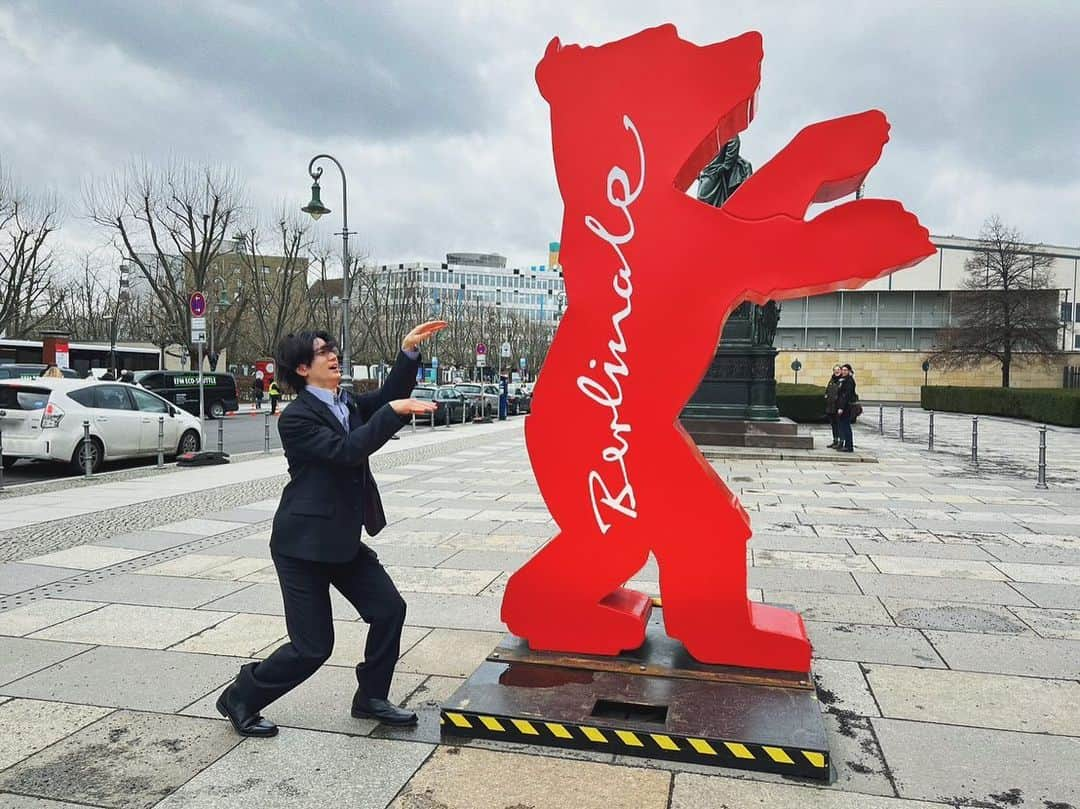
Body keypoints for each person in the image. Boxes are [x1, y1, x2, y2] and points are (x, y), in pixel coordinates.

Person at [214, 320, 446, 738]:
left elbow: (388, 397)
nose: (333, 356)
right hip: (301, 547)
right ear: (303, 369)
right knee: (312, 647)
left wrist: (408, 352)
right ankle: (241, 697)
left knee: (389, 610)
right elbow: (345, 451)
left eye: (332, 349)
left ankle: (371, 697)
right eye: (322, 352)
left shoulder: (346, 403)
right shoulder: (296, 418)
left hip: (339, 541)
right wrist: (393, 414)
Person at [835, 363, 857, 453]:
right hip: (842, 406)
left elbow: (846, 395)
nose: (843, 372)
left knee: (846, 426)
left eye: (845, 370)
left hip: (846, 407)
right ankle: (846, 445)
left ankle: (849, 446)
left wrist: (841, 407)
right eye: (842, 370)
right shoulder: (843, 380)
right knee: (843, 426)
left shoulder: (849, 381)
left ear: (849, 371)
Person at [824, 365, 842, 448]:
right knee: (833, 425)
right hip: (830, 406)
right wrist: (826, 395)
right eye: (835, 370)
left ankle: (841, 442)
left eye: (838, 369)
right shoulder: (831, 380)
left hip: (838, 407)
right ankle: (835, 440)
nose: (836, 371)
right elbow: (827, 390)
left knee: (839, 425)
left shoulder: (842, 381)